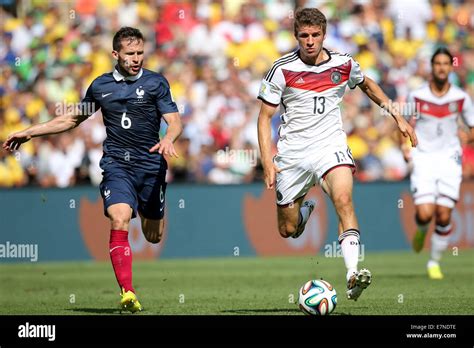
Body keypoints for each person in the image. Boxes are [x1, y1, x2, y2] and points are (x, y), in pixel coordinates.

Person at [3, 27, 183, 312]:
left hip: (151, 165)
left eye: (140, 53)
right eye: (130, 53)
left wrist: (169, 139)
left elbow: (174, 121)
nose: (136, 58)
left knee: (153, 236)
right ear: (115, 54)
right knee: (119, 218)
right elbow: (72, 119)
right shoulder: (100, 86)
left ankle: (152, 207)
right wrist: (30, 132)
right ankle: (128, 291)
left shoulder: (155, 83)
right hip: (117, 165)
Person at [257, 8, 417, 301]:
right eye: (304, 35)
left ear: (324, 35)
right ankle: (302, 215)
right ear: (295, 36)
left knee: (343, 199)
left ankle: (352, 274)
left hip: (330, 146)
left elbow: (367, 84)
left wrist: (398, 116)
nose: (309, 41)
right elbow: (264, 117)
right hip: (293, 155)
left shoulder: (343, 64)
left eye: (315, 35)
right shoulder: (281, 69)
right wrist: (267, 160)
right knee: (288, 229)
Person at [402, 48, 474, 279]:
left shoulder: (461, 97)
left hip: (449, 159)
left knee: (443, 215)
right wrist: (405, 146)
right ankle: (422, 230)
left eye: (446, 63)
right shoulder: (417, 95)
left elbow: (471, 128)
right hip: (423, 157)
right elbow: (404, 125)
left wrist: (468, 137)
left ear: (450, 68)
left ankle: (434, 262)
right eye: (438, 63)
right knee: (425, 214)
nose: (442, 67)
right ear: (432, 68)